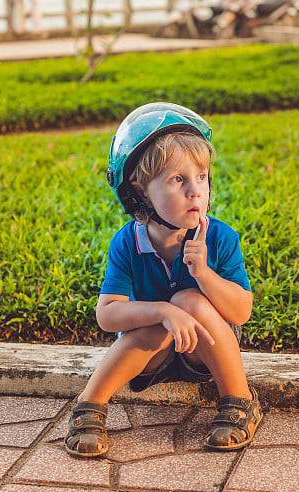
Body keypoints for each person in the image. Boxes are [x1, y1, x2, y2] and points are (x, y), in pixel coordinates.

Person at [65, 102, 263, 458]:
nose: (195, 191)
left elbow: (241, 312)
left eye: (201, 177)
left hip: (207, 353)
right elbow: (107, 314)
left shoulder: (219, 237)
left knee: (189, 301)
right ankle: (89, 404)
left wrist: (203, 274)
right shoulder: (127, 242)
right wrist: (162, 312)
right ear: (140, 191)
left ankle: (240, 400)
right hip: (152, 356)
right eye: (178, 180)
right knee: (160, 319)